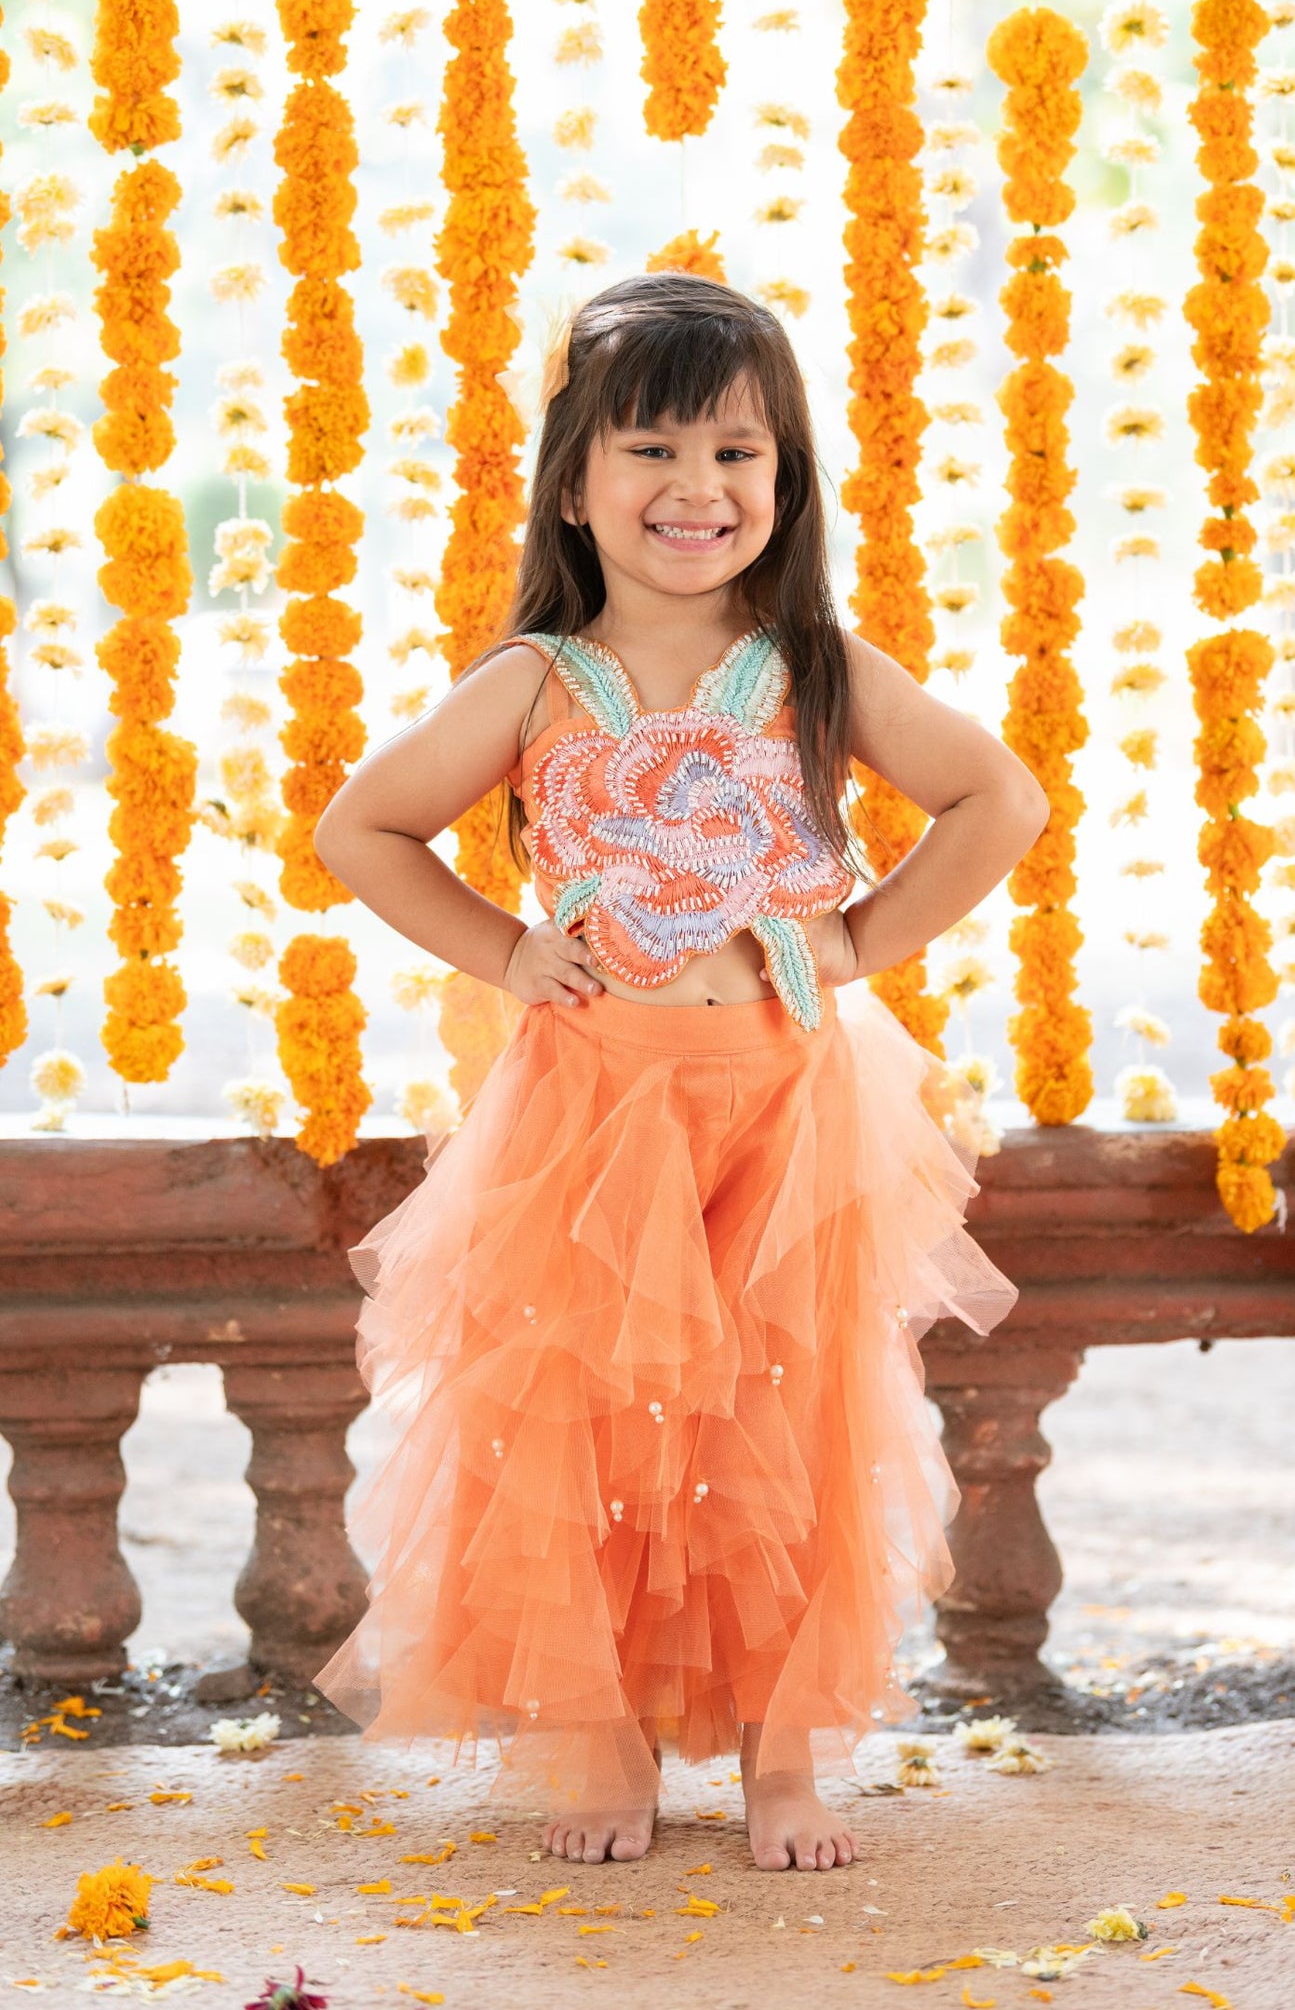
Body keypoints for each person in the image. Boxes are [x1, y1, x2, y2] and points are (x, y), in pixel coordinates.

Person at [310, 271, 1047, 1874]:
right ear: (574, 481)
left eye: (738, 452)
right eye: (650, 449)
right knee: (590, 1428)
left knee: (790, 1432)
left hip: (787, 1114)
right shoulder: (533, 681)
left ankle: (786, 1767)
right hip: (589, 1119)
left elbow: (998, 800)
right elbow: (358, 826)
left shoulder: (814, 666)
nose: (697, 490)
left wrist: (857, 938)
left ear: (783, 483)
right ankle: (607, 1754)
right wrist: (507, 950)